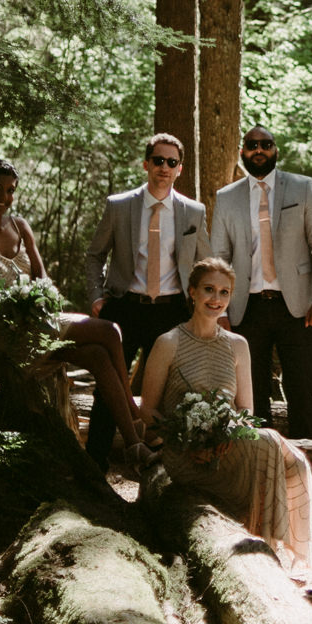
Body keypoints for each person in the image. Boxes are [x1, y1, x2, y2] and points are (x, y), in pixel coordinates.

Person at [0, 159, 151, 469]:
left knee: (99, 354)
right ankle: (135, 415)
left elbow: (43, 279)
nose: (4, 197)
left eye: (10, 190)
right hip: (6, 336)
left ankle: (134, 446)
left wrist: (46, 300)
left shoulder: (20, 227)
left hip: (40, 321)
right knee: (110, 331)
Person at [140, 257, 312, 573]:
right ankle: (265, 545)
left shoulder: (238, 345)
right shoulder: (168, 343)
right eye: (209, 290)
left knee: (298, 464)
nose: (216, 299)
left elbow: (247, 410)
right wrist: (186, 439)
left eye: (224, 292)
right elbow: (148, 410)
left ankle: (270, 546)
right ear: (191, 292)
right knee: (267, 444)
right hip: (185, 456)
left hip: (228, 446)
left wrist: (226, 431)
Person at [83, 133, 207, 469]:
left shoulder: (193, 212)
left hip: (171, 312)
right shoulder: (119, 206)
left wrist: (205, 309)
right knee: (107, 391)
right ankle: (94, 466)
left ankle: (165, 470)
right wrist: (96, 297)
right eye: (158, 160)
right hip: (124, 308)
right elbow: (94, 255)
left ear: (180, 169)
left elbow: (204, 266)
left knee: (170, 393)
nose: (164, 168)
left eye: (171, 162)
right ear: (146, 164)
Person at [209, 125, 312, 439]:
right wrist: (219, 310)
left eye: (266, 144)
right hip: (246, 309)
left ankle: (309, 470)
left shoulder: (302, 187)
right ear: (243, 153)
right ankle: (259, 467)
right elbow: (219, 256)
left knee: (303, 392)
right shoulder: (227, 197)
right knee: (252, 395)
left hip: (298, 308)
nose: (259, 150)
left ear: (276, 150)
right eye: (252, 145)